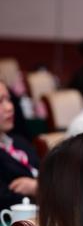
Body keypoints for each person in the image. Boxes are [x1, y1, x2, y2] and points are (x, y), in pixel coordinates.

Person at [0, 81, 39, 211]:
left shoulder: (19, 141)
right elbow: (5, 199)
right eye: (0, 102)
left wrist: (37, 187)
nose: (9, 107)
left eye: (8, 99)